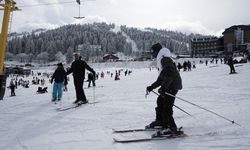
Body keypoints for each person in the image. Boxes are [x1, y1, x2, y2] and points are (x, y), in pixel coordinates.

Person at [146, 43, 182, 135]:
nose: (152, 53)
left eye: (152, 51)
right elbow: (161, 78)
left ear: (157, 51)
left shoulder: (164, 59)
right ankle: (161, 121)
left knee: (167, 107)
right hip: (169, 85)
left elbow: (170, 73)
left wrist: (164, 87)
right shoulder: (162, 59)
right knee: (160, 101)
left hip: (172, 86)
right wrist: (152, 87)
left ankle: (171, 127)